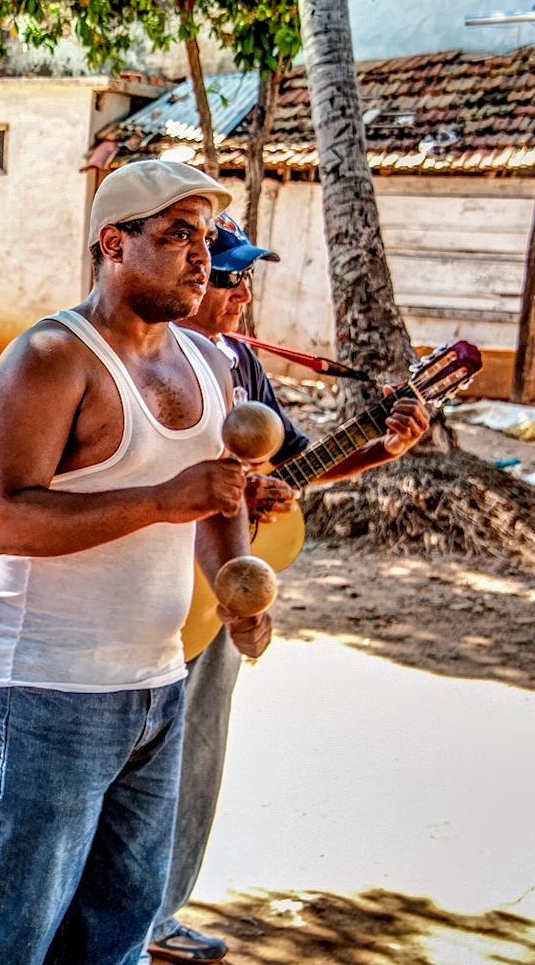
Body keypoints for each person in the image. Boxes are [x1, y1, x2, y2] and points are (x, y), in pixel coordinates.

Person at [0, 160, 273, 965]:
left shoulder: (210, 363)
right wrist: (158, 500)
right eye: (177, 234)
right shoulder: (50, 357)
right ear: (114, 243)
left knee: (116, 928)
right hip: (47, 692)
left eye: (206, 237)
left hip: (156, 687)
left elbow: (217, 499)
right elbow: (4, 519)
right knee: (8, 930)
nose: (201, 256)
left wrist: (240, 590)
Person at [148, 212, 431, 963]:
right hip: (150, 585)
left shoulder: (243, 365)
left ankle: (159, 913)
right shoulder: (149, 362)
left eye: (246, 277)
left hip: (222, 593)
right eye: (227, 275)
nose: (239, 291)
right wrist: (237, 495)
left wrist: (380, 449)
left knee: (199, 750)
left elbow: (296, 461)